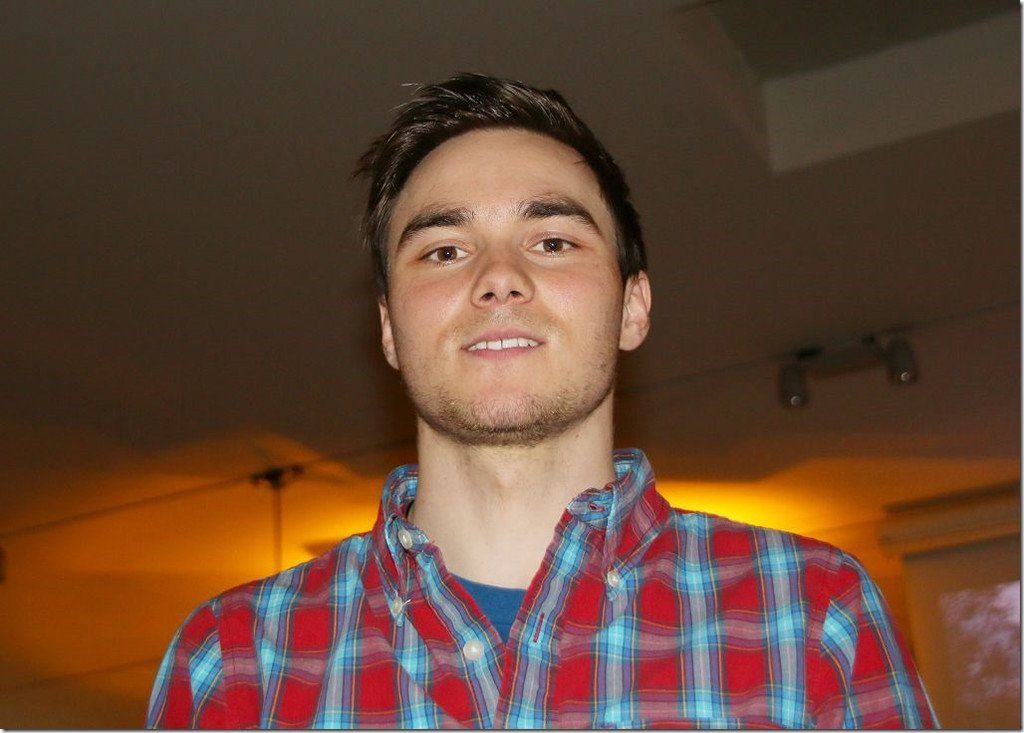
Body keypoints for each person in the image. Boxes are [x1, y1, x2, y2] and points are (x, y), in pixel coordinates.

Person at [146, 73, 937, 729]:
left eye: (553, 241)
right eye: (444, 250)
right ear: (388, 327)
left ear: (632, 307)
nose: (498, 276)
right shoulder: (237, 661)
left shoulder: (813, 617)